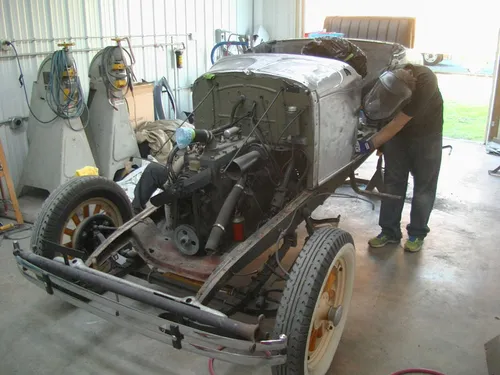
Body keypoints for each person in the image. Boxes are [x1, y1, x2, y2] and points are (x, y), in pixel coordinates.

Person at [355, 63, 444, 253]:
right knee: (393, 182)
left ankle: (417, 234)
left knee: (423, 186)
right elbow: (379, 110)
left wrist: (368, 145)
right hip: (397, 137)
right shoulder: (389, 75)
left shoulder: (426, 82)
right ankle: (389, 232)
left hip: (427, 136)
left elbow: (397, 124)